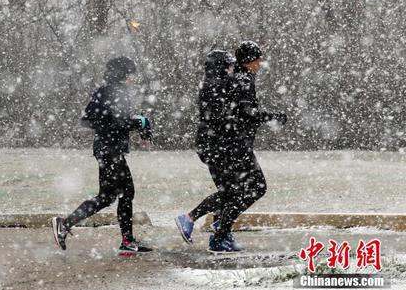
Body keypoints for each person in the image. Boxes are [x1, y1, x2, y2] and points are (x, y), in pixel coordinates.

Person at [175, 42, 287, 252]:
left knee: (231, 191)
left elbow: (232, 116)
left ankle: (219, 229)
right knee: (251, 188)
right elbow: (244, 114)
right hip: (229, 146)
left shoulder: (219, 83)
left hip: (221, 146)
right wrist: (271, 117)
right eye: (228, 65)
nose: (231, 67)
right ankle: (204, 224)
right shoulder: (237, 81)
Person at [51, 56, 153, 255]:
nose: (133, 78)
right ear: (123, 74)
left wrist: (116, 122)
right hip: (112, 150)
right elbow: (119, 121)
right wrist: (140, 122)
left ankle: (66, 223)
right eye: (131, 74)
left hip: (104, 150)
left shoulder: (103, 91)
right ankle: (126, 241)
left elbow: (87, 120)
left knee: (107, 196)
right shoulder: (118, 92)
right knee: (126, 192)